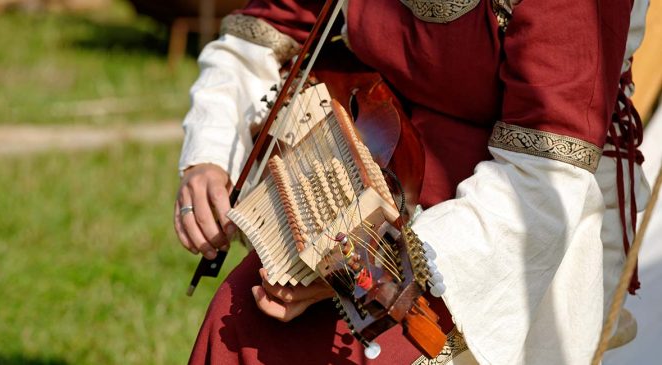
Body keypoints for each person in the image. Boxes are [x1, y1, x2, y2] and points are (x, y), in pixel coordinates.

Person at [174, 0, 651, 363]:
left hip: (499, 230)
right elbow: (265, 31)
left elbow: (545, 180)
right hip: (372, 159)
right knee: (237, 325)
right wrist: (210, 156)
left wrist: (371, 269)